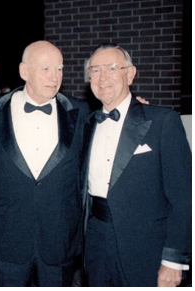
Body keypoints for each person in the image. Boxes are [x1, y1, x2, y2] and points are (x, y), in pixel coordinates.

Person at [0, 40, 89, 286]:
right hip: (9, 241)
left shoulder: (79, 111)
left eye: (60, 69)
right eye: (46, 68)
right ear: (24, 71)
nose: (55, 76)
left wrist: (137, 109)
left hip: (60, 243)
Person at [80, 43, 191, 287]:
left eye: (112, 68)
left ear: (130, 73)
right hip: (95, 243)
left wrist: (173, 260)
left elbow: (184, 197)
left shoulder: (162, 121)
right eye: (95, 70)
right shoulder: (86, 125)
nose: (103, 77)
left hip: (146, 249)